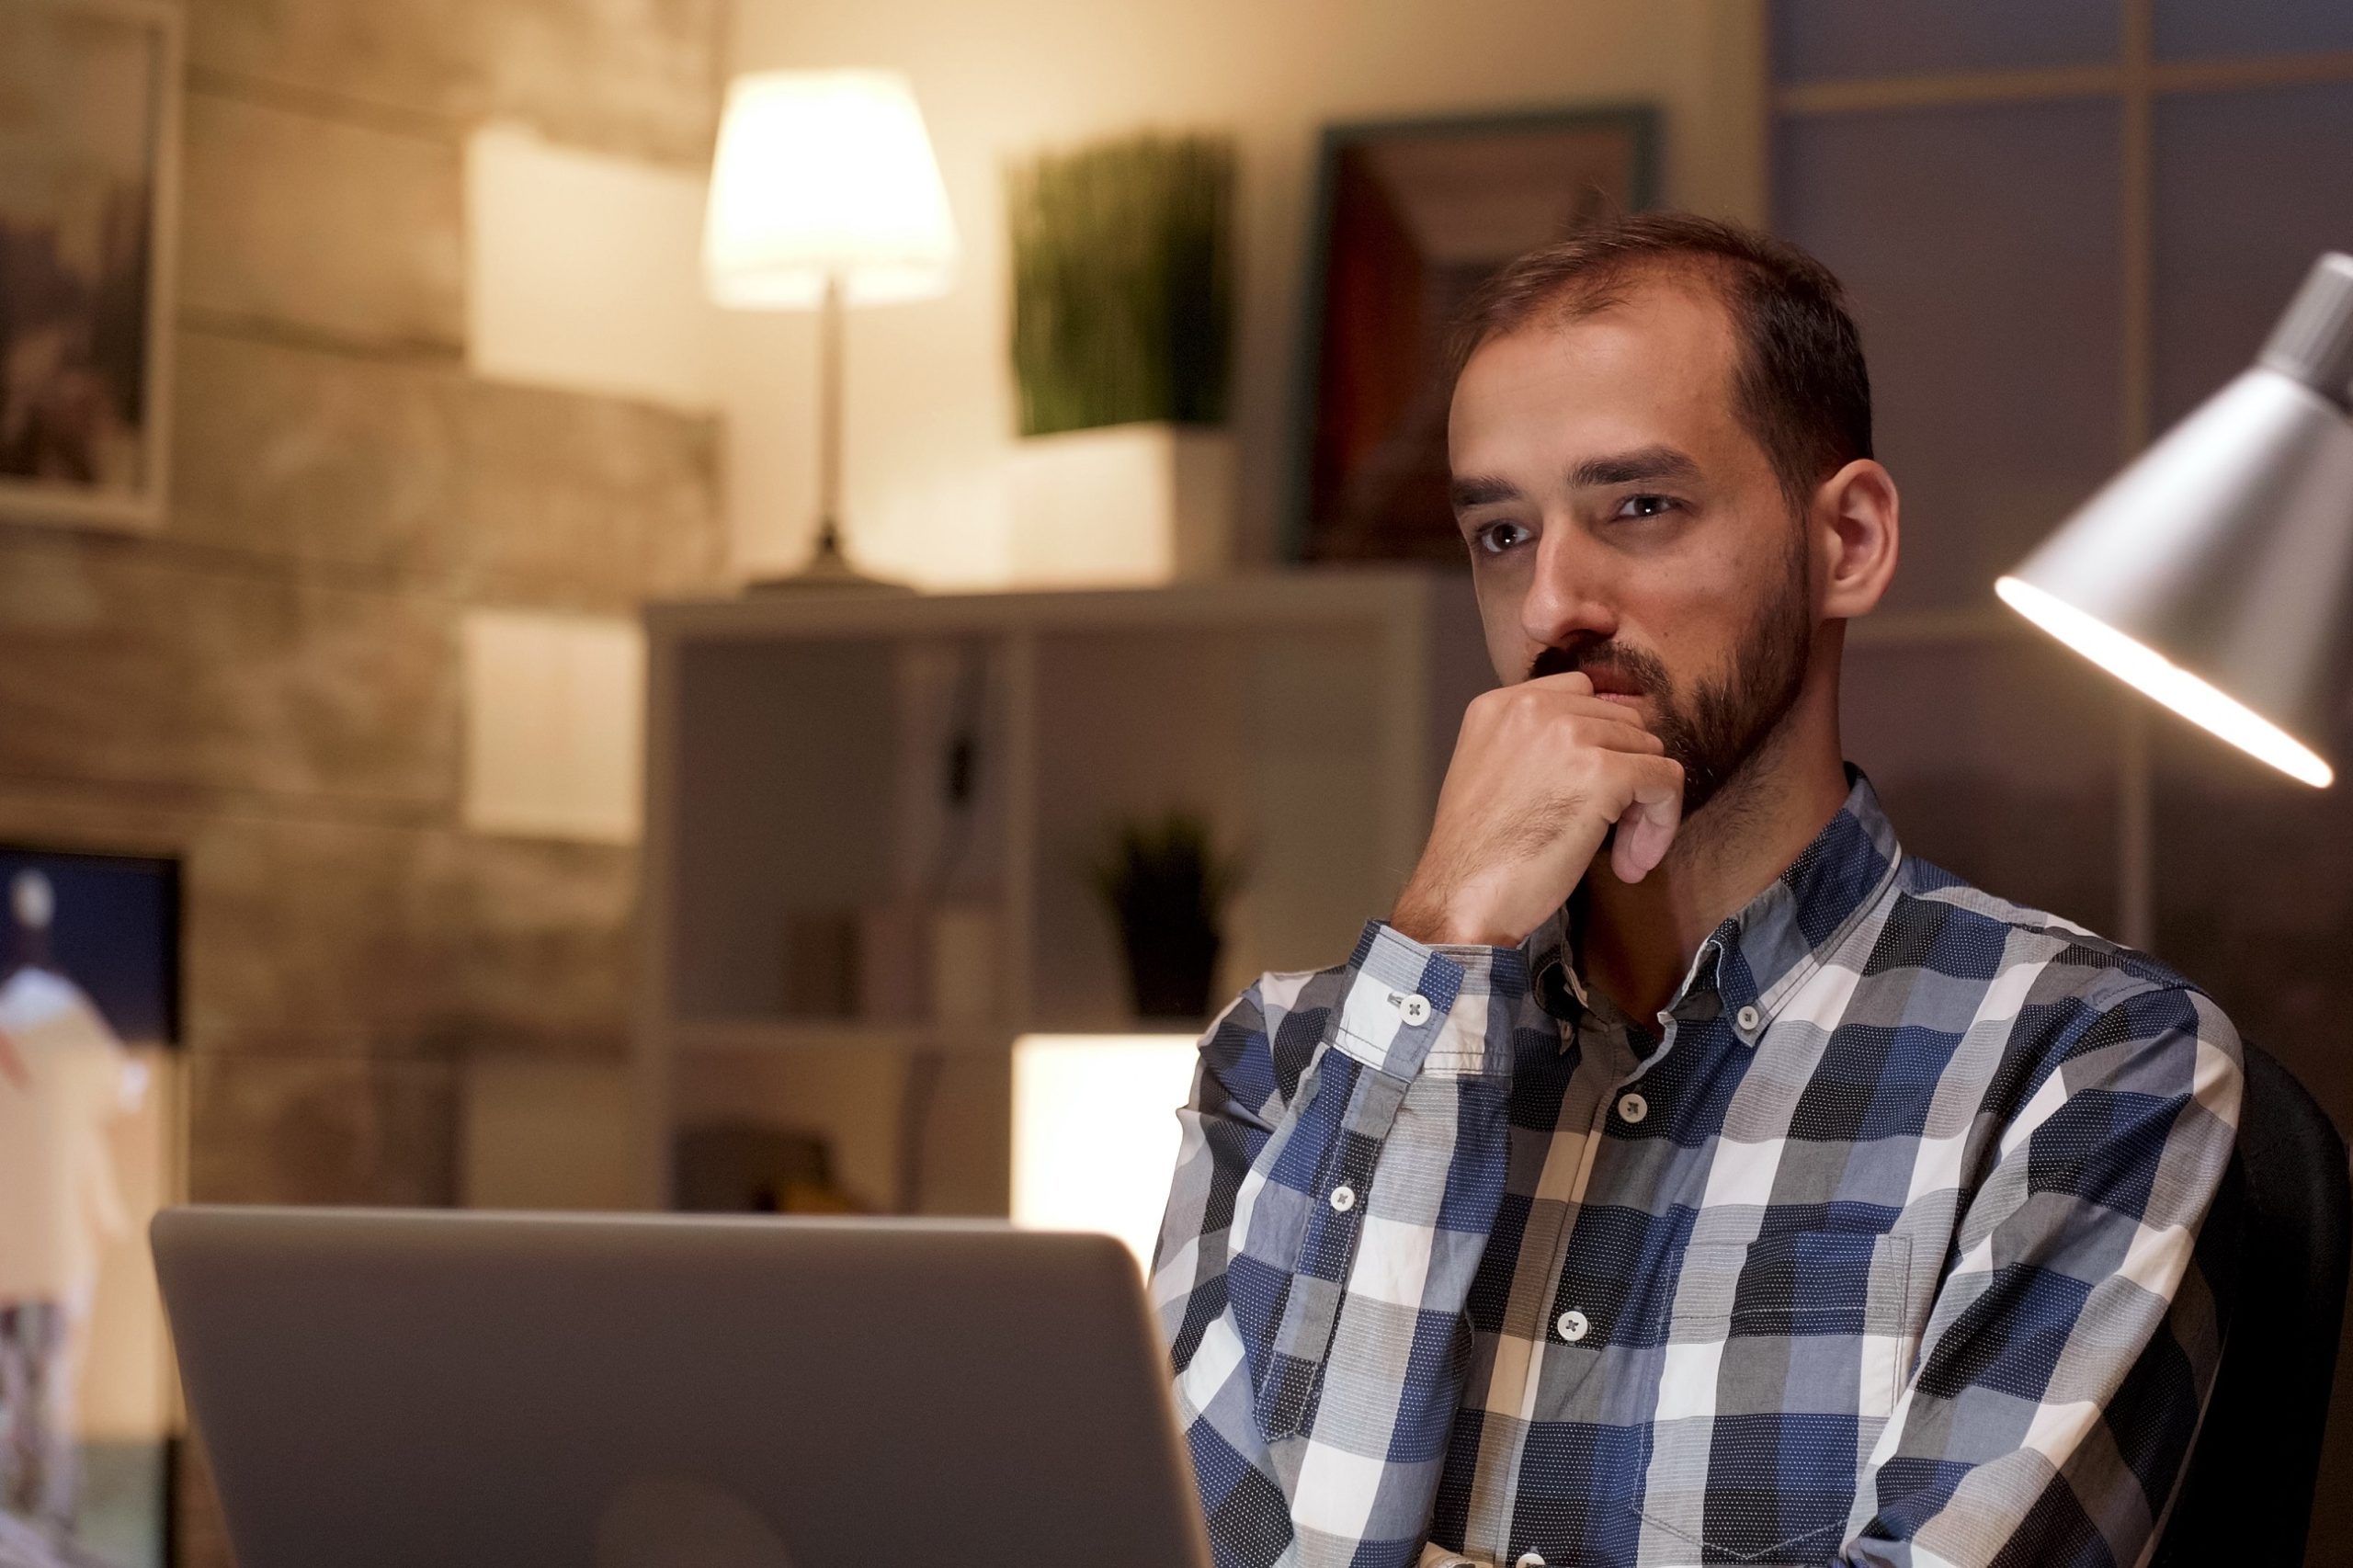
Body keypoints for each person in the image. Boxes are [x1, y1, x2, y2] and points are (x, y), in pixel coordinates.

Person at [1150, 213, 2241, 1568]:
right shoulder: (1287, 1064)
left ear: (1846, 539)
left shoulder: (2089, 1062)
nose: (1553, 603)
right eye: (1500, 531)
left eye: (1640, 508)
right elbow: (1231, 1550)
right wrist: (1443, 940)